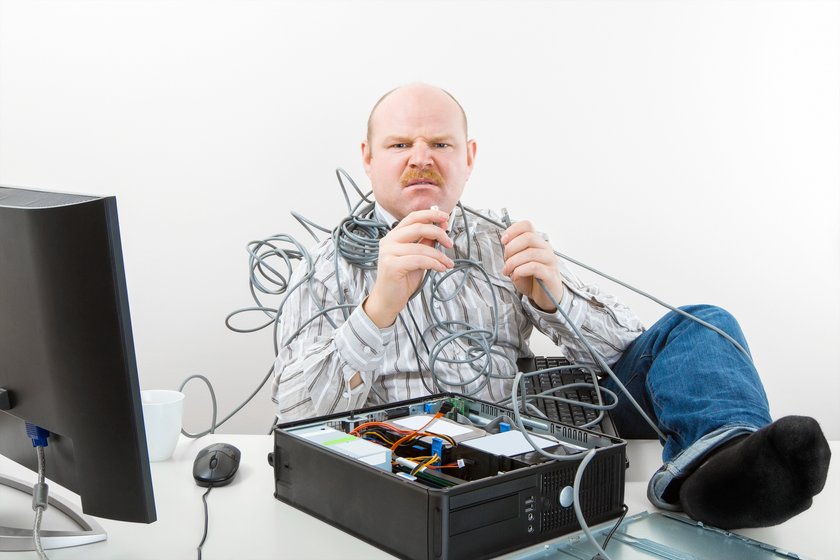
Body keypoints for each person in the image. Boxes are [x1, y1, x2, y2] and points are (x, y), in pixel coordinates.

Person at [272, 83, 830, 529]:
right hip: (415, 452)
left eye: (440, 144)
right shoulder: (324, 267)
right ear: (368, 160)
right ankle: (706, 479)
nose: (422, 159)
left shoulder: (500, 239)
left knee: (705, 325)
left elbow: (632, 350)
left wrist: (556, 301)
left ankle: (719, 470)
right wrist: (378, 309)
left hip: (529, 413)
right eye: (399, 145)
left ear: (467, 158)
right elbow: (293, 417)